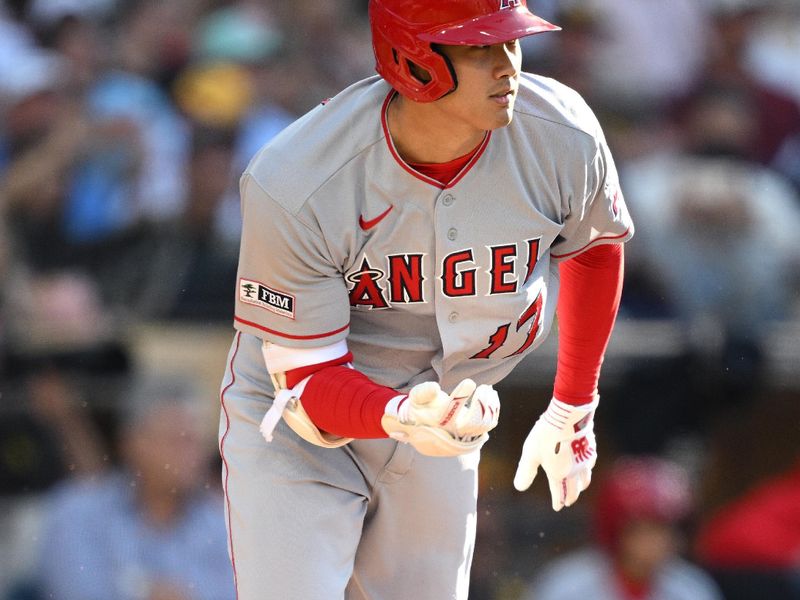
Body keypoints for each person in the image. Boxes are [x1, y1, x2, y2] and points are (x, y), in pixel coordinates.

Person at [218, 1, 633, 598]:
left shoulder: (561, 132)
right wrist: (401, 416)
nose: (507, 66)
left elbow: (595, 249)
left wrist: (573, 404)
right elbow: (307, 380)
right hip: (302, 424)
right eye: (479, 47)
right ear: (412, 58)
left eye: (511, 43)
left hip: (448, 406)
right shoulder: (298, 179)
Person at [35, 375, 234, 600]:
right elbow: (73, 591)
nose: (193, 455)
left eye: (197, 441)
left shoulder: (225, 524)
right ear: (132, 443)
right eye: (178, 440)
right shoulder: (76, 513)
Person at [523, 456, 723, 600]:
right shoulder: (567, 585)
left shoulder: (691, 589)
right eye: (647, 529)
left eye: (667, 529)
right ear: (616, 529)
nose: (661, 541)